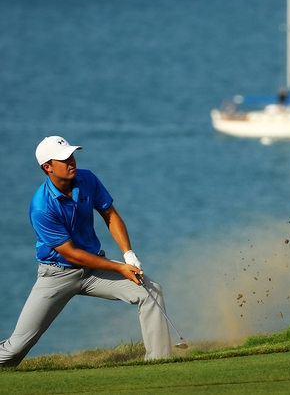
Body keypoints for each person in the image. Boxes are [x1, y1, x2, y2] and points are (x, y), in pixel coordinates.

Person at [0, 136, 172, 366]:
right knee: (16, 349)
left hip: (93, 270)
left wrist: (128, 254)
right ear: (47, 167)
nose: (71, 162)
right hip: (56, 276)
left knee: (150, 291)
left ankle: (159, 364)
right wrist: (120, 268)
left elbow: (110, 215)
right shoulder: (41, 206)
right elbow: (70, 253)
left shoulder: (87, 179)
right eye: (63, 159)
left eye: (71, 155)